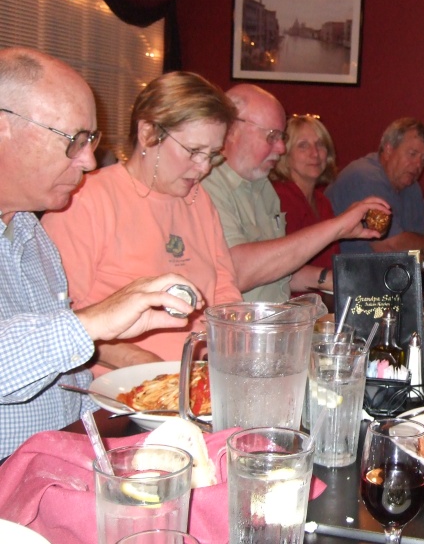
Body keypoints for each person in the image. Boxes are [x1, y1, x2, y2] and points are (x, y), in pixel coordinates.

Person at [0, 48, 203, 458]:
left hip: (59, 458)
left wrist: (147, 421)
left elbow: (60, 390)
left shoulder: (29, 232)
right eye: (74, 140)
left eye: (90, 141)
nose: (89, 161)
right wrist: (93, 321)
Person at [42, 71, 242, 370]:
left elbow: (224, 291)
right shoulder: (84, 200)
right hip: (122, 390)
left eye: (212, 155)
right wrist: (145, 365)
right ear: (148, 133)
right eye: (194, 151)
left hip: (198, 376)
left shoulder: (198, 199)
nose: (203, 168)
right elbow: (58, 323)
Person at [202, 84, 390, 302]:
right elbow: (238, 272)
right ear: (231, 129)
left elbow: (276, 271)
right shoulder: (207, 184)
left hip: (279, 324)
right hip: (240, 331)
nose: (282, 148)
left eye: (281, 137)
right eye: (272, 136)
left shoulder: (263, 187)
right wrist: (337, 227)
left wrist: (343, 280)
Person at [325, 117, 424, 253]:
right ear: (389, 149)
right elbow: (389, 245)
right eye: (412, 154)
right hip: (343, 271)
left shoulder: (410, 184)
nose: (418, 165)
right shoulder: (365, 176)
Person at [270, 114, 339, 276]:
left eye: (320, 144)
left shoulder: (322, 202)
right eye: (303, 145)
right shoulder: (279, 198)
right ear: (285, 155)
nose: (314, 153)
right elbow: (282, 265)